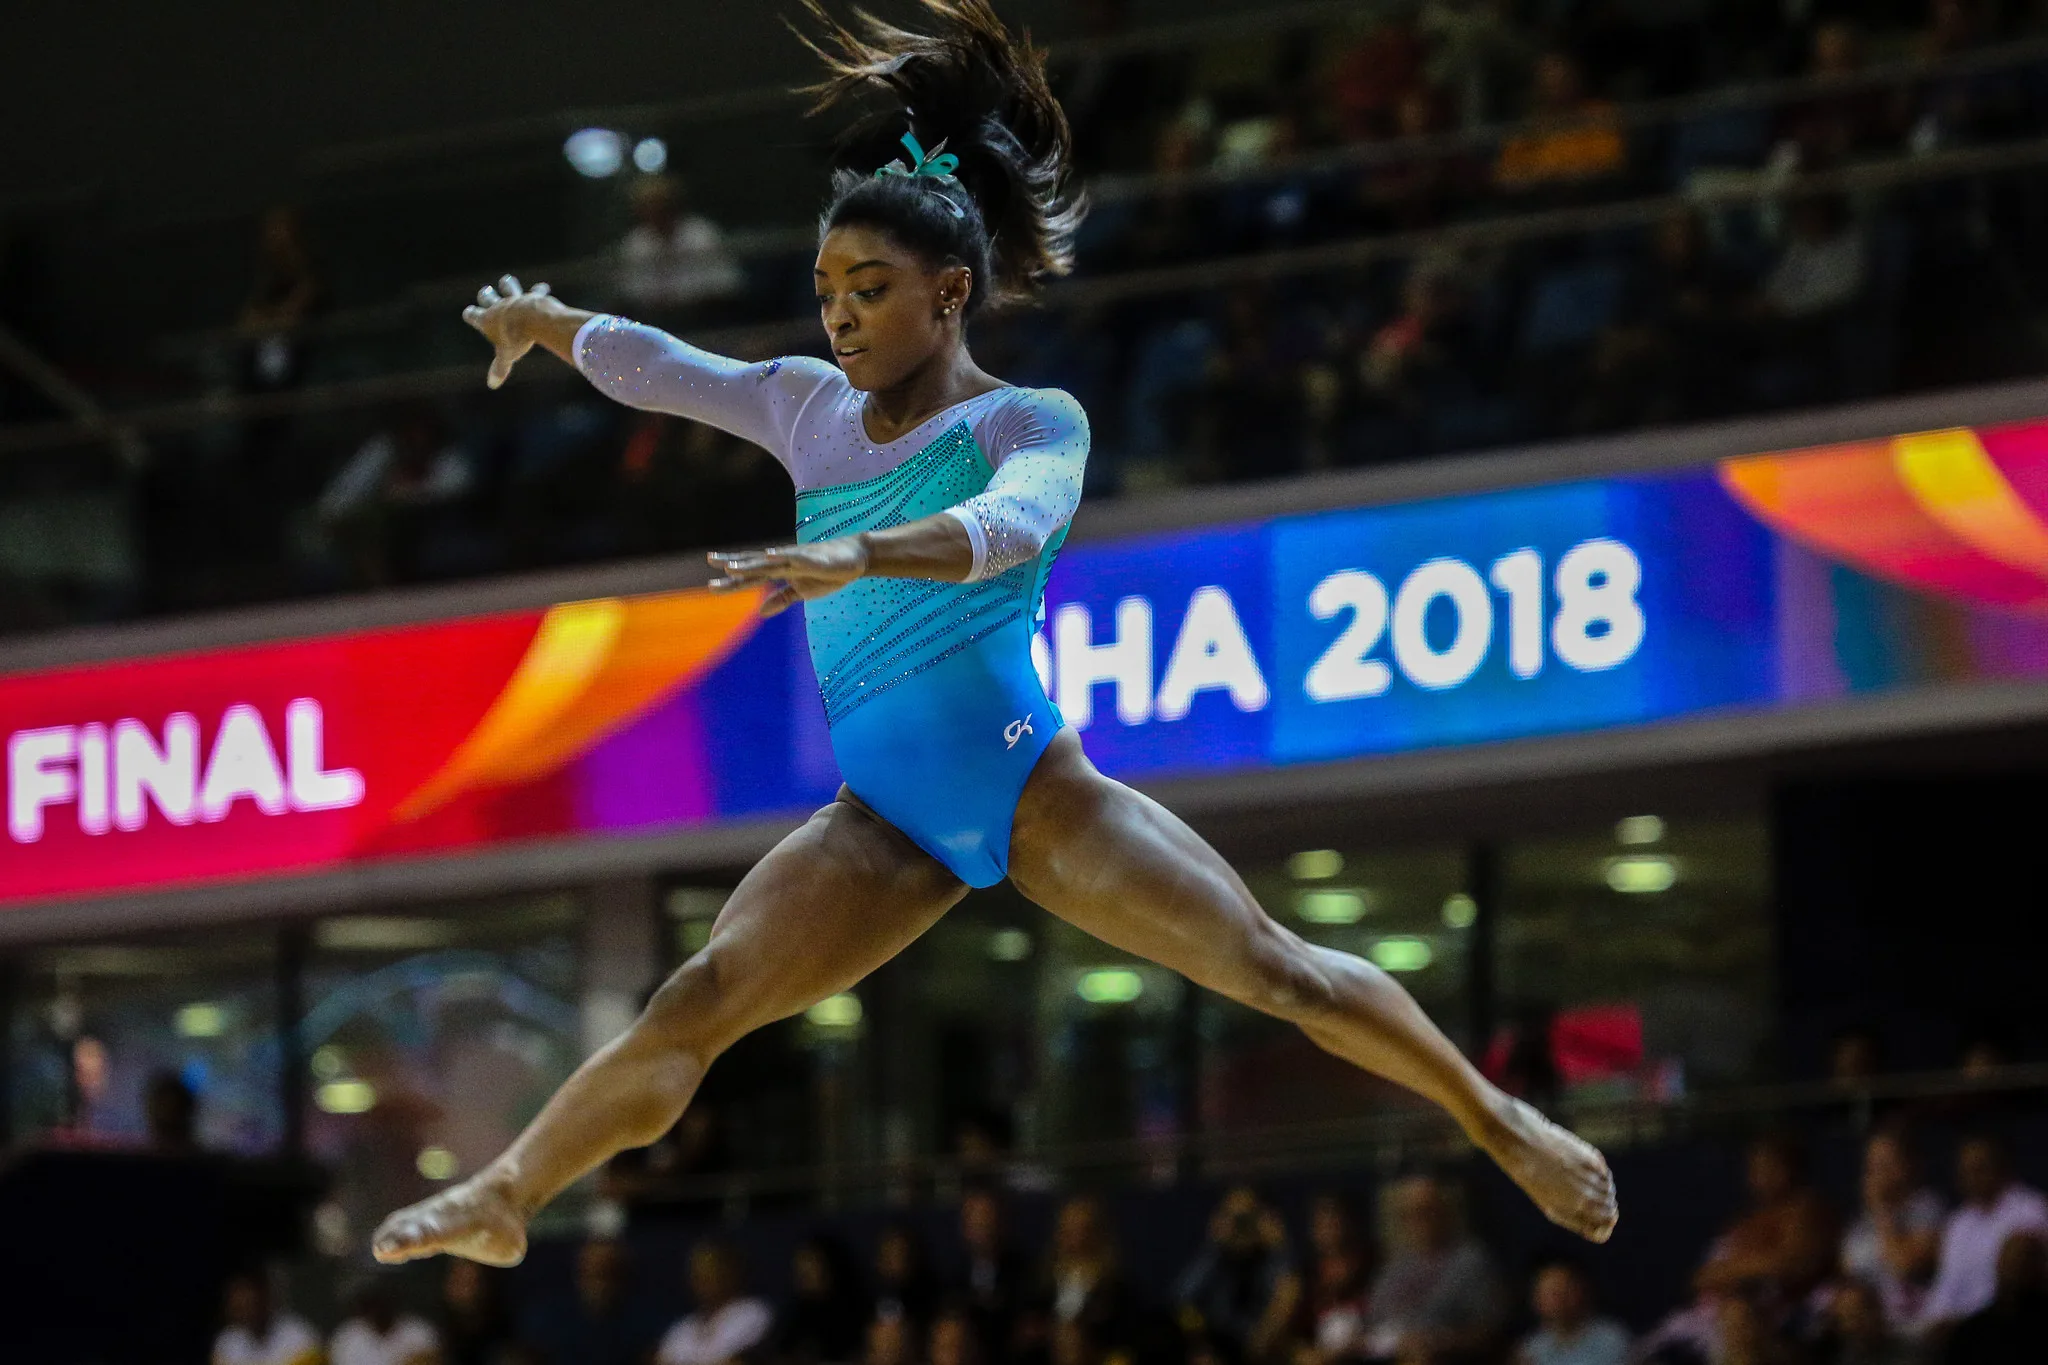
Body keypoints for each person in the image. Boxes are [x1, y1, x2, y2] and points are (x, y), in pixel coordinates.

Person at [370, 0, 1616, 1272]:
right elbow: (669, 366)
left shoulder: (1030, 423)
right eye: (825, 293)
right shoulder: (808, 410)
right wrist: (550, 323)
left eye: (869, 290)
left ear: (950, 292)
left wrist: (862, 550)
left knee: (1274, 971)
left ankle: (1498, 1115)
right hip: (879, 823)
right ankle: (508, 1193)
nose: (839, 318)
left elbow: (1007, 529)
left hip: (1033, 792)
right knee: (694, 1000)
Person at [1359, 1174, 1504, 1365]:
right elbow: (1373, 1326)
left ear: (1445, 1213)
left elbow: (1488, 1330)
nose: (1420, 1221)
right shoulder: (1393, 1268)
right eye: (1412, 1214)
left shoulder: (1471, 1260)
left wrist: (1437, 1342)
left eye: (1428, 1212)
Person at [1692, 1136, 1840, 1311]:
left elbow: (1791, 1265)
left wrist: (1738, 1270)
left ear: (1791, 1168)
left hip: (1785, 1315)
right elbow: (1702, 1277)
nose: (1761, 1175)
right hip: (1717, 1314)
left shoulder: (1809, 1211)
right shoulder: (1745, 1221)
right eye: (1756, 1167)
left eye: (1770, 1165)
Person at [1919, 1135, 2048, 1329]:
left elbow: (2022, 1284)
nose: (1972, 1178)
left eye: (1979, 1169)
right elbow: (1947, 1284)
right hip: (1962, 1330)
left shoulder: (2032, 1209)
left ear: (2002, 1168)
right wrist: (1933, 1320)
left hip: (2013, 1323)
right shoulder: (1959, 1223)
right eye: (1965, 1172)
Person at [1175, 1186, 1301, 1365]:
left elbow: (1287, 1297)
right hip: (1221, 1349)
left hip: (1263, 1351)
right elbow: (1180, 1300)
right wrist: (1215, 1244)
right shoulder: (1216, 1259)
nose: (1240, 1229)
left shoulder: (1272, 1260)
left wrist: (1280, 1246)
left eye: (1247, 1219)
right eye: (1233, 1218)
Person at [1839, 1129, 1944, 1333]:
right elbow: (1847, 1272)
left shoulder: (1927, 1206)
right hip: (1866, 1326)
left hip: (1911, 1322)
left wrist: (1881, 1212)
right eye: (1873, 1166)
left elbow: (1906, 1265)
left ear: (1909, 1165)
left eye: (1886, 1164)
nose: (1878, 1174)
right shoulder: (1862, 1220)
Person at [523, 1238, 664, 1365]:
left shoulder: (645, 1321)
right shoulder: (552, 1316)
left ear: (623, 1277)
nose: (598, 1285)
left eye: (607, 1274)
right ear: (579, 1274)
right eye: (590, 1274)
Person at [618, 175, 745, 314]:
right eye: (648, 206)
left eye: (661, 205)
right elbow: (631, 292)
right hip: (656, 317)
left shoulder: (702, 233)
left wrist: (689, 299)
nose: (655, 212)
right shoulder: (636, 243)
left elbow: (726, 283)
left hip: (707, 314)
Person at [658, 1239, 776, 1365]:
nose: (703, 1279)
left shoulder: (753, 1312)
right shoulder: (681, 1329)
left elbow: (740, 1361)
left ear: (731, 1271)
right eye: (697, 1273)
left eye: (710, 1269)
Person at [1942, 1231, 2048, 1365]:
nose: (2017, 1266)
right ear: (1998, 1264)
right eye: (2011, 1261)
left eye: (2026, 1260)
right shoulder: (1972, 1332)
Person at [956, 1187, 1031, 1362]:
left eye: (986, 1216)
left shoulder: (1022, 1271)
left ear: (1001, 1222)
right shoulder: (954, 1277)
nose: (981, 1224)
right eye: (974, 1218)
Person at [1514, 1259, 1628, 1365]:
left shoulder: (1612, 1339)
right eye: (1551, 1292)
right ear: (1535, 1299)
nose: (1559, 1299)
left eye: (1565, 1290)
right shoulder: (1530, 1351)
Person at [779, 1235, 871, 1365]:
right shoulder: (795, 1315)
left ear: (829, 1266)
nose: (804, 1274)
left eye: (811, 1265)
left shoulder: (857, 1309)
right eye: (800, 1269)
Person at [213, 1271, 322, 1365]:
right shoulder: (227, 1344)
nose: (245, 1313)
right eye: (238, 1308)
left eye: (250, 1304)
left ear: (265, 1299)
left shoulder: (300, 1340)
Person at [330, 1277, 441, 1365]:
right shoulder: (346, 1338)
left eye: (383, 1304)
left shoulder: (419, 1332)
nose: (378, 1311)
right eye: (372, 1304)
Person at [438, 1260, 513, 1365]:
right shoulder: (437, 1328)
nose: (460, 1285)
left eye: (468, 1282)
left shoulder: (502, 1325)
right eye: (457, 1279)